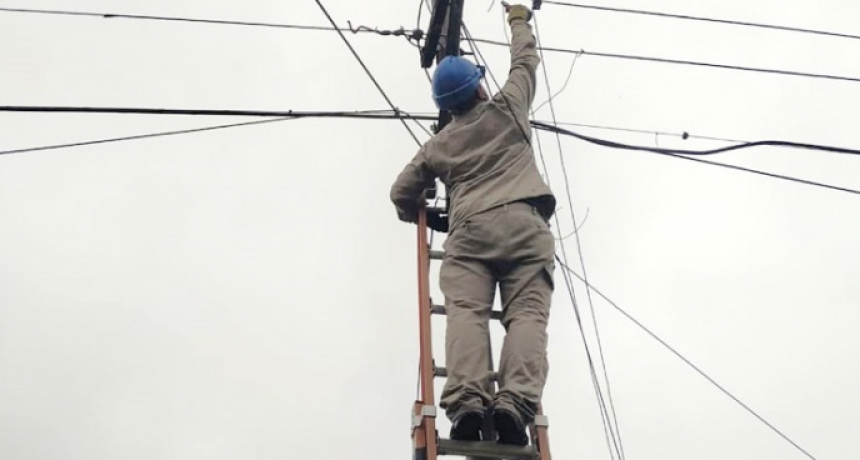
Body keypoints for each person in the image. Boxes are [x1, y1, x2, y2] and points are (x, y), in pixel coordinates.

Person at [390, 3, 555, 447]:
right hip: (525, 224)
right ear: (479, 87)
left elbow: (401, 192)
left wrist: (433, 216)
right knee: (526, 314)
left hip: (469, 234)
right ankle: (515, 405)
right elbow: (525, 60)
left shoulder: (439, 145)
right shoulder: (510, 106)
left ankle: (466, 404)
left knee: (466, 313)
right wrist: (518, 17)